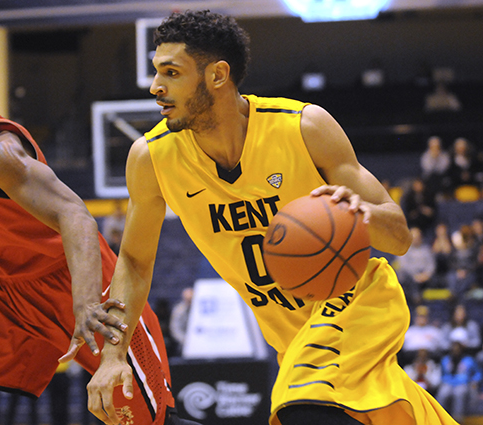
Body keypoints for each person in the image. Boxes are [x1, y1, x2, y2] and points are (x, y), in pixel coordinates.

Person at [88, 10, 457, 425]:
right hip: (293, 337)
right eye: (158, 72)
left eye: (171, 73)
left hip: (358, 307)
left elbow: (400, 238)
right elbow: (134, 263)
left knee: (304, 405)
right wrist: (112, 355)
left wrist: (361, 214)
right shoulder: (151, 159)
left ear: (217, 75)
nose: (156, 86)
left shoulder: (304, 127)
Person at [0, 32, 180, 425]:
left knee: (142, 420)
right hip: (0, 292)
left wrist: (85, 302)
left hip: (72, 280)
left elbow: (75, 215)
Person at [436, 328, 482, 424]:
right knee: (443, 393)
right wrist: (444, 381)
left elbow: (478, 373)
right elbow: (442, 374)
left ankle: (458, 420)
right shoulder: (446, 360)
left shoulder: (468, 360)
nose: (455, 349)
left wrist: (474, 381)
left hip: (463, 383)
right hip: (448, 383)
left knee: (459, 393)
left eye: (458, 347)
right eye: (454, 347)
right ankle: (438, 419)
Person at [396, 227, 437, 306]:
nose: (415, 239)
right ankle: (415, 298)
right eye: (413, 237)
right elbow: (404, 265)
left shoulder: (426, 250)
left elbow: (431, 265)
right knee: (402, 276)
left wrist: (426, 275)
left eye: (417, 237)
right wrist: (414, 276)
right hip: (410, 276)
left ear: (421, 238)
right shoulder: (404, 249)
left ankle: (417, 298)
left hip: (424, 277)